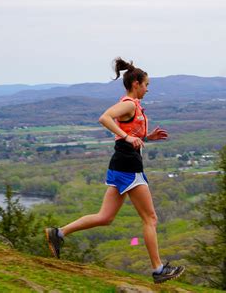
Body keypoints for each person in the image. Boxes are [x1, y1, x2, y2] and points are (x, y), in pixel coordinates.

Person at [45, 57, 185, 284]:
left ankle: (58, 233)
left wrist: (146, 137)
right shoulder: (129, 103)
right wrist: (128, 136)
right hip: (128, 167)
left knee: (105, 217)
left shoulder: (135, 106)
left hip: (121, 165)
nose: (148, 89)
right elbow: (104, 117)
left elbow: (129, 131)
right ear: (136, 83)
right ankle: (158, 270)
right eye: (146, 84)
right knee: (150, 218)